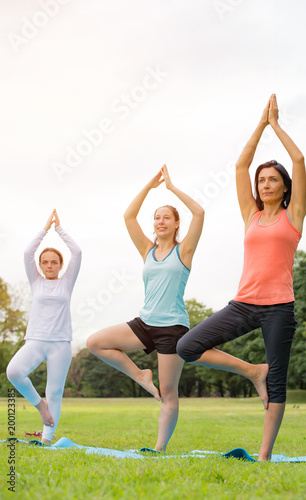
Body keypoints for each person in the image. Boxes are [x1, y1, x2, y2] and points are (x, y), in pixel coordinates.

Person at [177, 94, 306, 461]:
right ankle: (253, 371)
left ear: (284, 187)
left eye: (273, 180)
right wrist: (260, 124)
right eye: (262, 180)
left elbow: (298, 160)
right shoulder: (250, 214)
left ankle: (264, 455)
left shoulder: (293, 216)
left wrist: (276, 125)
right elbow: (240, 166)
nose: (265, 184)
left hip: (279, 308)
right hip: (244, 304)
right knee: (188, 347)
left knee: (278, 382)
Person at [87, 165, 204, 451]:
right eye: (157, 218)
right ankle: (140, 375)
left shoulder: (184, 250)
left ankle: (159, 448)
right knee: (95, 342)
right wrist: (149, 187)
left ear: (177, 224)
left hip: (172, 328)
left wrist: (172, 188)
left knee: (168, 393)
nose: (160, 221)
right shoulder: (147, 250)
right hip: (145, 323)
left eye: (167, 217)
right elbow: (128, 216)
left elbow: (199, 213)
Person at [7, 209, 82, 445]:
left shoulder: (67, 282)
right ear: (40, 265)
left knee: (55, 392)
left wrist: (59, 229)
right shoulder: (36, 281)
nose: (49, 265)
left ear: (61, 265)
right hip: (36, 340)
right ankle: (41, 406)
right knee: (14, 372)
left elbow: (77, 252)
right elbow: (28, 251)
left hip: (61, 343)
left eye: (54, 262)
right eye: (45, 262)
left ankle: (47, 439)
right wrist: (44, 229)